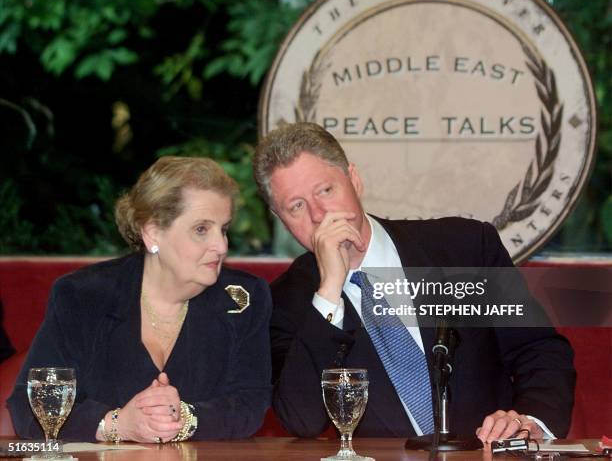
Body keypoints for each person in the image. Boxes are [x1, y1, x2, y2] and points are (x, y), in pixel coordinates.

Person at [253, 122, 575, 444]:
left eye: (326, 190)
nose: (319, 214)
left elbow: (539, 350)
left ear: (354, 179)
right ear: (280, 219)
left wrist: (530, 420)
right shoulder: (286, 301)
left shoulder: (464, 248)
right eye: (296, 206)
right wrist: (330, 291)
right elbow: (302, 420)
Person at [8, 156, 272, 442]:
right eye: (201, 230)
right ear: (152, 232)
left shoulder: (243, 299)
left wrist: (184, 419)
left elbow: (251, 403)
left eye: (223, 229)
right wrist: (117, 425)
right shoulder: (83, 296)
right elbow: (29, 407)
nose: (221, 246)